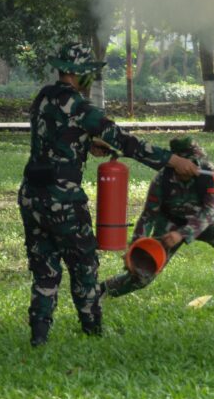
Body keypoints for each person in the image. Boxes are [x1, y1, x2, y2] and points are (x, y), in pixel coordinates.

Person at [18, 42, 198, 346]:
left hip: (31, 196)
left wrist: (86, 144)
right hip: (62, 200)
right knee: (84, 266)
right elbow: (126, 143)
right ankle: (93, 333)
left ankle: (38, 337)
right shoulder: (81, 107)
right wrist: (173, 160)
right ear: (80, 74)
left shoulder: (44, 97)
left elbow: (52, 134)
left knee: (44, 270)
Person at [102, 137, 214, 303]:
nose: (195, 166)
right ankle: (100, 291)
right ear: (178, 162)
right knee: (143, 272)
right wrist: (135, 246)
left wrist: (182, 233)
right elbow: (148, 216)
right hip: (170, 223)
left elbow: (210, 212)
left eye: (196, 161)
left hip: (201, 221)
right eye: (190, 162)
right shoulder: (162, 179)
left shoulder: (208, 173)